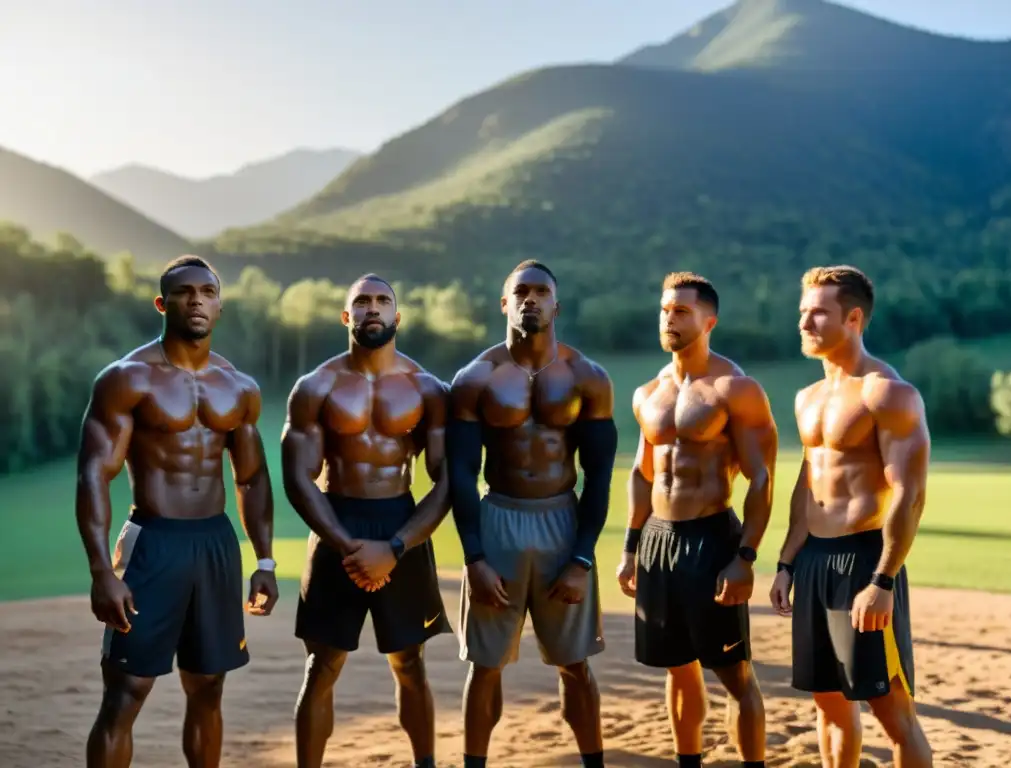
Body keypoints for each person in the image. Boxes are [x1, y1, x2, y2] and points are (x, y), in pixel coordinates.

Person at [75, 255, 278, 768]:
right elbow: (96, 475)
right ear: (163, 304)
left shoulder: (239, 387)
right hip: (154, 541)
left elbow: (251, 478)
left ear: (219, 305)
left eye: (207, 292)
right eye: (185, 292)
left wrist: (267, 560)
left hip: (215, 543)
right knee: (127, 692)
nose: (197, 301)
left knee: (209, 688)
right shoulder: (127, 379)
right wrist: (102, 571)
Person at [446, 260, 617, 768]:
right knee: (485, 665)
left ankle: (594, 763)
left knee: (574, 664)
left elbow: (599, 478)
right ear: (505, 303)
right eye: (521, 291)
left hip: (561, 522)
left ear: (556, 305)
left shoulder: (588, 377)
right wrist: (474, 557)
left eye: (541, 292)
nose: (531, 300)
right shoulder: (476, 378)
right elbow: (460, 474)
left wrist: (582, 558)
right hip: (498, 516)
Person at [281, 273, 452, 768]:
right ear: (346, 315)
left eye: (382, 301)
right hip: (336, 523)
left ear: (397, 316)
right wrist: (344, 545)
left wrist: (395, 548)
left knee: (411, 664)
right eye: (361, 301)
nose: (372, 308)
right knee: (321, 666)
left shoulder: (428, 388)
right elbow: (299, 477)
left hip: (402, 520)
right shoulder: (315, 386)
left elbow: (445, 483)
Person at [768, 265, 933, 768]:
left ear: (854, 318)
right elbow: (808, 482)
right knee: (828, 703)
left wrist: (883, 579)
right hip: (814, 561)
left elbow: (910, 495)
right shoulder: (807, 399)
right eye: (802, 312)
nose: (805, 322)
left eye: (819, 312)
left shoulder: (887, 393)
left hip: (864, 564)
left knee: (894, 714)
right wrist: (787, 561)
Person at [615, 272, 777, 768]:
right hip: (659, 541)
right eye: (665, 310)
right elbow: (642, 476)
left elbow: (762, 479)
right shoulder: (648, 392)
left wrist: (745, 557)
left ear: (709, 321)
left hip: (712, 538)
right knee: (677, 670)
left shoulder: (735, 388)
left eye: (681, 312)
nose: (670, 319)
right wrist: (630, 548)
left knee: (733, 673)